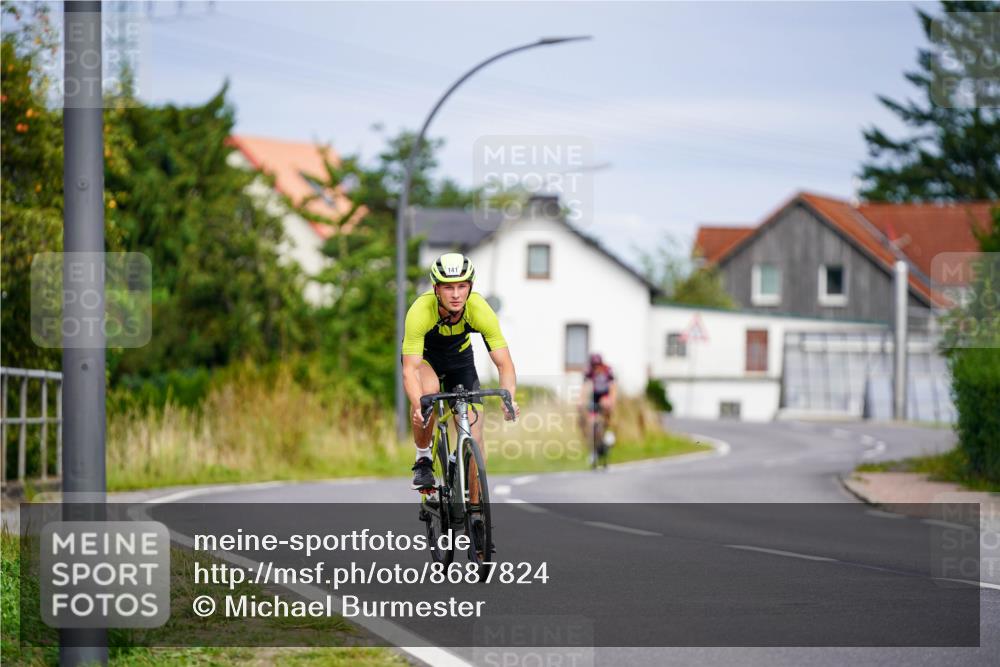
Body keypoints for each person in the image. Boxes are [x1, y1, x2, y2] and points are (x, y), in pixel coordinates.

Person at [401, 252, 519, 491]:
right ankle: (423, 458)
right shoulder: (420, 311)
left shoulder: (479, 309)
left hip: (460, 361)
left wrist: (509, 399)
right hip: (426, 360)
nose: (456, 295)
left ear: (470, 287)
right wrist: (417, 406)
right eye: (448, 288)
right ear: (436, 289)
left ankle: (475, 515)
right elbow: (409, 371)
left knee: (475, 437)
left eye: (462, 287)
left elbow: (504, 363)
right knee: (429, 392)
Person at [580, 353, 617, 456]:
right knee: (591, 422)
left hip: (605, 395)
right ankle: (593, 448)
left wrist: (612, 401)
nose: (596, 368)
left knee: (605, 404)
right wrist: (581, 401)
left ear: (601, 364)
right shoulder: (589, 371)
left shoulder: (607, 370)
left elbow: (613, 387)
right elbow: (584, 387)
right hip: (595, 396)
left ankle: (608, 432)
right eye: (594, 366)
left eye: (598, 365)